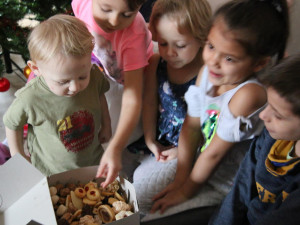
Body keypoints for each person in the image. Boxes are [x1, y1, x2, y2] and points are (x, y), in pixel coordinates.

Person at [150, 0, 289, 221]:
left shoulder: (248, 94)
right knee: (143, 194)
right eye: (211, 46)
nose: (213, 62)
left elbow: (215, 153)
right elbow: (192, 125)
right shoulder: (207, 72)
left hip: (227, 183)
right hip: (199, 164)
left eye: (229, 58)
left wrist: (186, 191)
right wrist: (180, 178)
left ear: (259, 64)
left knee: (159, 217)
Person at [121, 0, 211, 218]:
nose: (170, 53)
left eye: (179, 45)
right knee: (126, 177)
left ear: (202, 38)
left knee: (143, 193)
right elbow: (150, 102)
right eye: (162, 43)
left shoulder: (207, 72)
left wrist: (182, 151)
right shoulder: (156, 63)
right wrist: (151, 139)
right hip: (164, 139)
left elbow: (209, 125)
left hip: (196, 146)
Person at [3, 14, 111, 176]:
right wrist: (18, 155)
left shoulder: (94, 75)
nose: (75, 87)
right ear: (36, 69)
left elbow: (100, 95)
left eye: (82, 76)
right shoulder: (30, 97)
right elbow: (12, 123)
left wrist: (107, 125)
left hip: (93, 160)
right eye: (63, 82)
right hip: (50, 171)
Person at [209, 53, 300, 225]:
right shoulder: (272, 137)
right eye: (268, 105)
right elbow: (241, 189)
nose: (264, 115)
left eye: (278, 116)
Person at [71, 0, 154, 187]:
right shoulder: (81, 3)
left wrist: (116, 148)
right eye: (106, 9)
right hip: (102, 67)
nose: (114, 21)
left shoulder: (135, 34)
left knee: (107, 139)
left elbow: (132, 98)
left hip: (132, 82)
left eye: (127, 15)